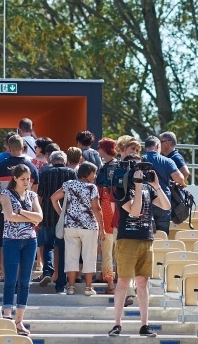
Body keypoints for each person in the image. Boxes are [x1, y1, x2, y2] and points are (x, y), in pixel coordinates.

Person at [109, 161, 170, 337]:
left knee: (142, 282)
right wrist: (136, 186)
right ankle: (117, 324)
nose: (142, 174)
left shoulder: (148, 188)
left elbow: (166, 207)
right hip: (127, 240)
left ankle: (144, 325)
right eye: (138, 170)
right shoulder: (121, 188)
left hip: (146, 239)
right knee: (123, 282)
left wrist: (157, 186)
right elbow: (135, 211)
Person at [0, 135, 39, 293]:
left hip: (3, 211)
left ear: (8, 148)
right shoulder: (31, 167)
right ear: (24, 147)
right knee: (20, 247)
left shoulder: (1, 166)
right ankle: (17, 282)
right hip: (25, 214)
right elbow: (34, 193)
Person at [0, 164, 42, 336]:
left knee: (25, 282)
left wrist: (21, 212)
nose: (26, 182)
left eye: (28, 179)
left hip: (30, 241)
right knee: (10, 280)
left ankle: (19, 320)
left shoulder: (32, 195)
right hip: (11, 240)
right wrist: (29, 216)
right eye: (23, 179)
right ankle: (8, 317)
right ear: (15, 178)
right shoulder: (6, 194)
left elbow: (39, 218)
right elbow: (10, 216)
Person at [51, 162, 103, 295]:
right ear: (87, 173)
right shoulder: (92, 188)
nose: (95, 175)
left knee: (71, 256)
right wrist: (102, 228)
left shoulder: (68, 184)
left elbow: (53, 198)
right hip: (88, 226)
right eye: (93, 173)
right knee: (89, 256)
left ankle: (71, 287)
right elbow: (96, 209)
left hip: (70, 226)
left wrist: (62, 214)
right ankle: (88, 288)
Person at [37, 150, 76, 291]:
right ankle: (60, 285)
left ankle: (47, 271)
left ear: (51, 161)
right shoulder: (71, 174)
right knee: (64, 250)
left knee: (48, 246)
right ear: (64, 161)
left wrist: (38, 215)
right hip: (65, 217)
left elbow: (39, 196)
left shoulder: (45, 173)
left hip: (47, 215)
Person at [142, 136, 185, 235]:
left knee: (145, 236)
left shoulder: (139, 160)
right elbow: (179, 178)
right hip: (163, 201)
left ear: (145, 148)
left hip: (145, 202)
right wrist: (182, 184)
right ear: (158, 146)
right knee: (162, 236)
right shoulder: (167, 161)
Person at [97, 137, 118, 293]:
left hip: (106, 212)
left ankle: (110, 285)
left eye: (99, 147)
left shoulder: (104, 169)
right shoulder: (120, 166)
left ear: (104, 149)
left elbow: (99, 193)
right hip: (121, 213)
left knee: (107, 251)